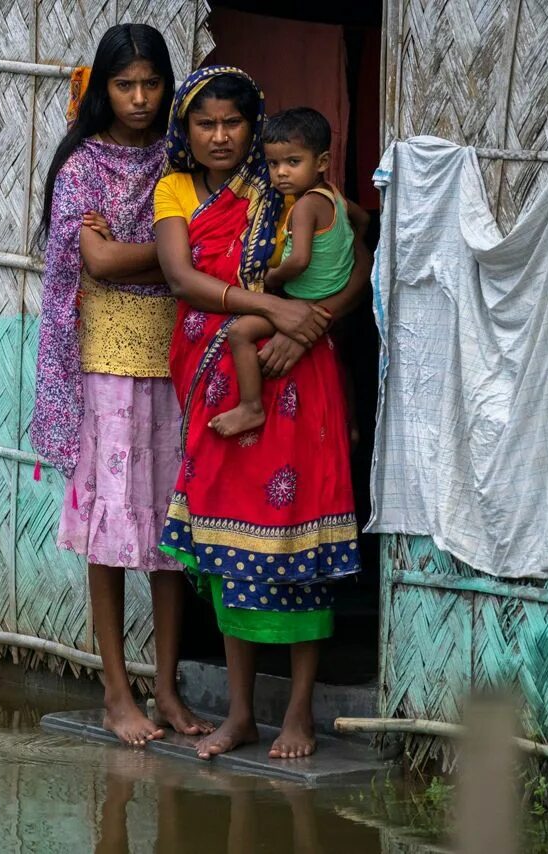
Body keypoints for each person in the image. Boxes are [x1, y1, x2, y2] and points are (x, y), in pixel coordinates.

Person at [153, 67, 369, 760]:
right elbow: (184, 278)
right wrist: (276, 311)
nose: (220, 136)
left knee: (301, 545)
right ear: (185, 129)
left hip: (302, 378)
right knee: (227, 546)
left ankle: (299, 713)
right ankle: (242, 714)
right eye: (205, 123)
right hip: (223, 385)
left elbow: (363, 256)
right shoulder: (178, 190)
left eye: (233, 123)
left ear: (255, 127)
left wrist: (311, 323)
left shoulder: (294, 189)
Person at [31, 23, 211, 747]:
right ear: (102, 89)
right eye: (124, 84)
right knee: (110, 533)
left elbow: (195, 246)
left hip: (174, 359)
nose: (140, 98)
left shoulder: (184, 158)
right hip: (105, 362)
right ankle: (114, 691)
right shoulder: (81, 168)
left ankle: (165, 689)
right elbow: (98, 265)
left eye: (152, 84)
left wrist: (148, 255)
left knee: (170, 529)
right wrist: (172, 255)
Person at [210, 107, 362, 438]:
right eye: (274, 164)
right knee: (344, 363)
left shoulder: (304, 206)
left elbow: (301, 260)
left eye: (293, 162)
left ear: (321, 163)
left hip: (304, 301)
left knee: (239, 333)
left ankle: (251, 407)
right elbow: (363, 220)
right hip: (332, 297)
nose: (281, 173)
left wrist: (273, 277)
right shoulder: (334, 196)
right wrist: (344, 244)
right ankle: (351, 426)